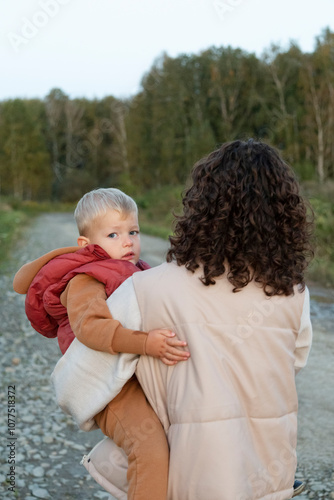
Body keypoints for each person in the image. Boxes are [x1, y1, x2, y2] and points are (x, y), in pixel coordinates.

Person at [55, 140, 313, 499]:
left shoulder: (146, 289)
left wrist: (145, 413)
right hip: (269, 478)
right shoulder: (294, 293)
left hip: (186, 478)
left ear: (202, 208)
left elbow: (76, 382)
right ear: (285, 216)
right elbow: (291, 363)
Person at [13, 187, 190, 500]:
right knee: (148, 448)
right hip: (112, 390)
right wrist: (146, 342)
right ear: (86, 244)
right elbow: (90, 329)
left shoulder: (136, 271)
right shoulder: (84, 279)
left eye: (133, 231)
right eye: (113, 234)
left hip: (136, 375)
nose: (127, 241)